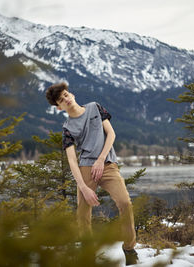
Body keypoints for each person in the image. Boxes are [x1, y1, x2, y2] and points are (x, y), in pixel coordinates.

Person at [45, 82, 138, 265]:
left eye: (66, 95)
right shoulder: (67, 129)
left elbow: (111, 134)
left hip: (107, 164)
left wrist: (101, 160)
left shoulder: (95, 108)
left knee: (125, 203)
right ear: (58, 107)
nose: (66, 99)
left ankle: (129, 248)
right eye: (61, 100)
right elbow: (72, 160)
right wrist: (84, 188)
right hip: (86, 168)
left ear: (71, 94)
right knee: (82, 213)